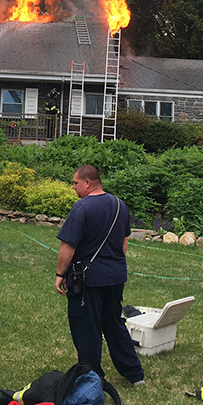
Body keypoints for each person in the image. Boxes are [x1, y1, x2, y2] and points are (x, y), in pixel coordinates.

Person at [55, 165, 145, 386]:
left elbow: (68, 245)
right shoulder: (119, 205)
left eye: (76, 183)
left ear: (88, 183)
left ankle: (91, 377)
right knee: (114, 323)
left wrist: (60, 273)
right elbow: (124, 242)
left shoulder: (81, 208)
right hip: (115, 277)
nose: (73, 187)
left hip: (88, 279)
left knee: (86, 327)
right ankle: (135, 375)